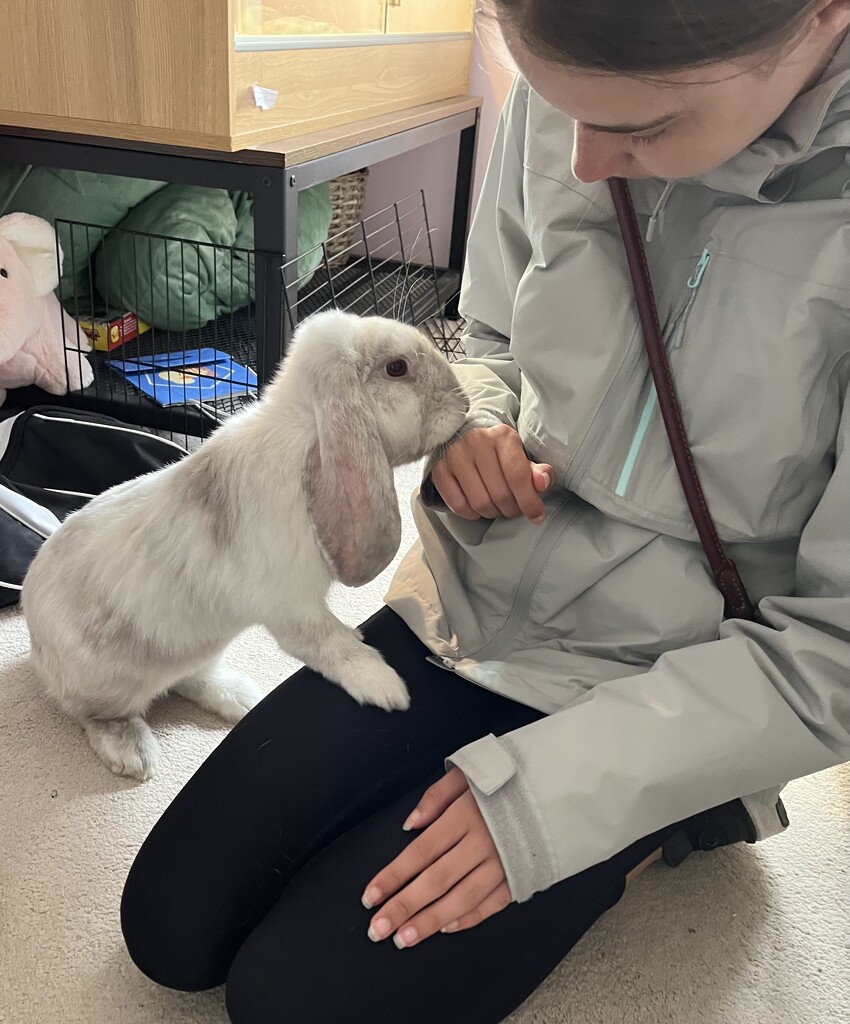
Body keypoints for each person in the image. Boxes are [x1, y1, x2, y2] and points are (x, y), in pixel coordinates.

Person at [120, 2, 850, 1021]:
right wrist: (473, 423)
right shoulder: (570, 102)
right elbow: (492, 337)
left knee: (296, 1001)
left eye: (645, 129)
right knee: (170, 920)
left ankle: (684, 813)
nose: (585, 161)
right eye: (555, 104)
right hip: (481, 602)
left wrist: (564, 803)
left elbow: (834, 646)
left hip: (680, 678)